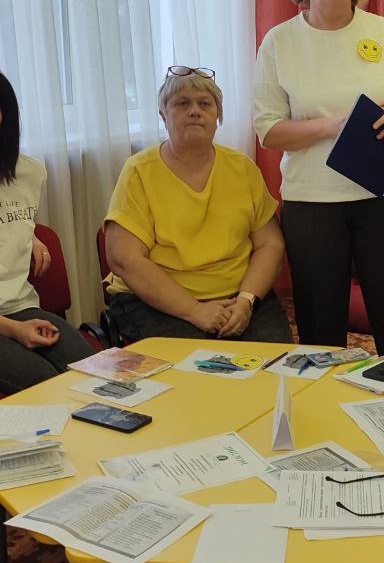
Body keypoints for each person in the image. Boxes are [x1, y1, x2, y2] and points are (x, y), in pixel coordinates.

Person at [253, 0, 384, 358]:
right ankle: (325, 399)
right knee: (320, 327)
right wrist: (333, 126)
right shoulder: (279, 42)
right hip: (313, 205)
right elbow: (269, 130)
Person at [104, 67, 292, 343]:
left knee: (275, 364)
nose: (195, 111)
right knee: (198, 367)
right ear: (163, 115)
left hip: (239, 298)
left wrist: (246, 300)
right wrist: (194, 310)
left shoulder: (242, 168)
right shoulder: (138, 172)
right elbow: (124, 258)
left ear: (218, 116)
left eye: (205, 104)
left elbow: (271, 244)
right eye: (182, 104)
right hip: (157, 304)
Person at [0, 72, 95, 393]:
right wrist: (13, 330)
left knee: (97, 374)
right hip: (7, 322)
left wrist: (31, 234)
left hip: (22, 305)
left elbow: (12, 215)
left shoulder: (28, 171)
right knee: (48, 387)